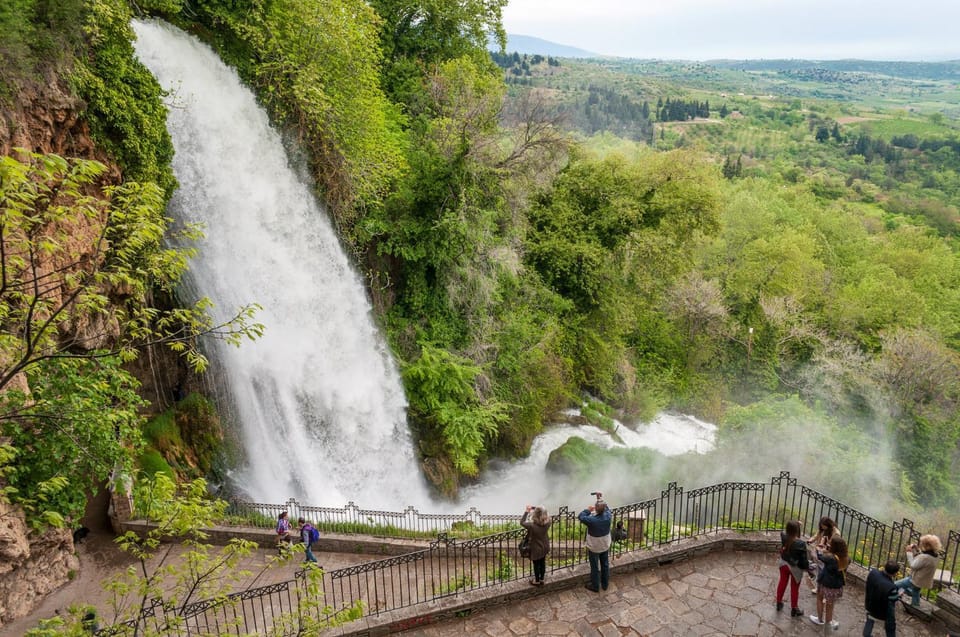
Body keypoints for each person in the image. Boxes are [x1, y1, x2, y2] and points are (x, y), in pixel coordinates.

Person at [810, 535, 849, 630]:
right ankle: (828, 622)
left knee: (820, 598)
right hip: (836, 585)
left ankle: (819, 620)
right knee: (830, 603)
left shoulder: (830, 559)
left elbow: (820, 556)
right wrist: (828, 549)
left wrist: (820, 547)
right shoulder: (846, 559)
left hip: (825, 583)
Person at [895, 534, 941, 606]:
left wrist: (909, 553)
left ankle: (896, 595)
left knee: (895, 585)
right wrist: (917, 550)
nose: (921, 545)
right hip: (923, 580)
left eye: (922, 543)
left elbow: (913, 565)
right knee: (915, 592)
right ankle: (915, 605)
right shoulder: (936, 556)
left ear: (927, 546)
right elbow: (921, 561)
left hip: (915, 579)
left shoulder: (925, 557)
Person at [578, 493, 612, 592]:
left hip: (594, 547)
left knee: (595, 567)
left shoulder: (591, 520)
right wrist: (599, 498)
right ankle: (605, 584)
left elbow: (580, 516)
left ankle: (595, 586)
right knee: (605, 564)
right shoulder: (608, 516)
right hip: (605, 544)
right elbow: (606, 508)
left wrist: (588, 510)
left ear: (596, 509)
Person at [775, 519, 809, 617]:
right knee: (794, 588)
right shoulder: (801, 544)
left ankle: (779, 603)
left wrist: (795, 525)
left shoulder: (783, 536)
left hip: (783, 564)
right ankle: (794, 608)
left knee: (782, 582)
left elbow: (785, 532)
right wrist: (807, 568)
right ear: (797, 530)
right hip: (795, 568)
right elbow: (803, 560)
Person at [863, 560, 901, 637]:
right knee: (890, 625)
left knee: (870, 619)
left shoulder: (873, 573)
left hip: (870, 604)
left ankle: (866, 634)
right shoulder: (891, 587)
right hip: (882, 611)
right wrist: (899, 594)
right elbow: (893, 598)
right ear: (894, 573)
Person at [807, 516, 841, 593]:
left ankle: (825, 591)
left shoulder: (836, 533)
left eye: (823, 526)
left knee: (825, 573)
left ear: (828, 525)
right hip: (820, 553)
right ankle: (818, 588)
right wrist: (810, 540)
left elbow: (834, 545)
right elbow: (816, 536)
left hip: (828, 555)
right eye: (821, 526)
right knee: (819, 571)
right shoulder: (822, 530)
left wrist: (825, 547)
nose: (822, 527)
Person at [521, 505, 552, 586]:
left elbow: (522, 522)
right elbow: (546, 514)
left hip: (536, 548)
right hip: (545, 546)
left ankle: (537, 581)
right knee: (542, 563)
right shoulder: (548, 522)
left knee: (536, 564)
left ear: (535, 515)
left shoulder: (532, 526)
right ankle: (542, 579)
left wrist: (527, 511)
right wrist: (538, 509)